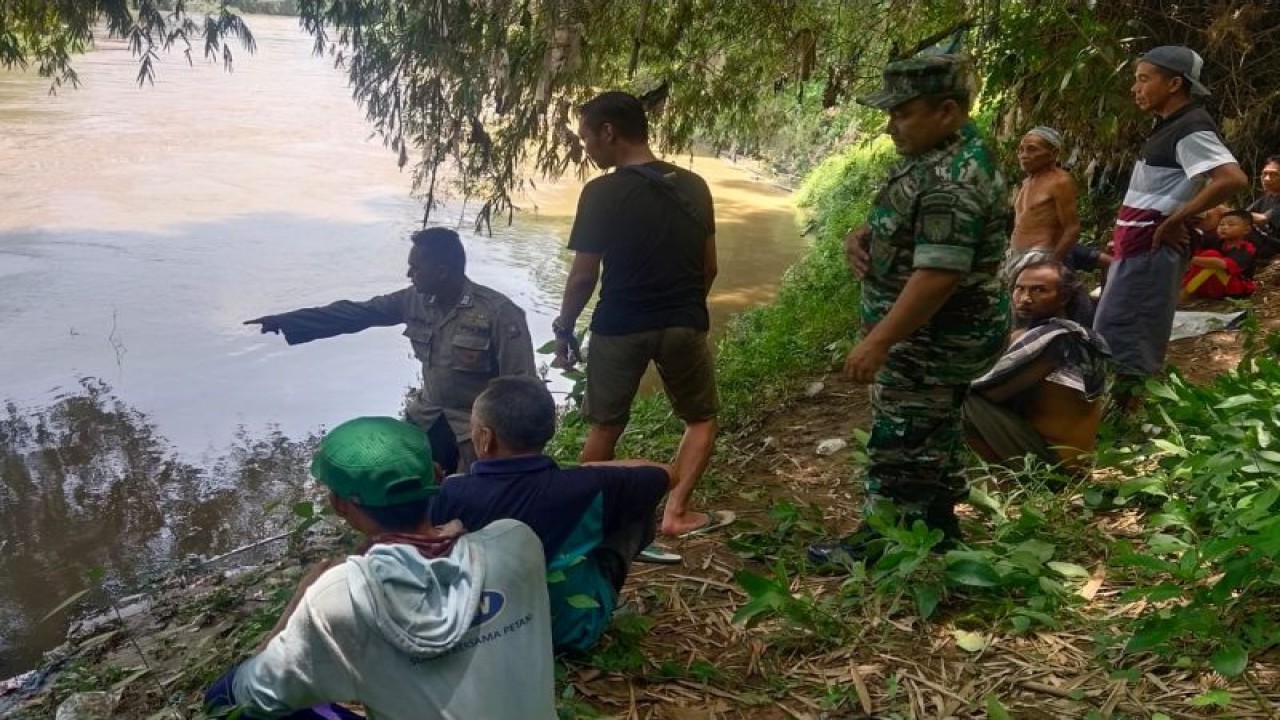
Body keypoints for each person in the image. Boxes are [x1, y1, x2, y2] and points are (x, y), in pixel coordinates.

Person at [204, 416, 556, 720]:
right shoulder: (517, 541)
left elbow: (244, 696)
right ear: (437, 475)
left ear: (338, 504)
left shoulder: (337, 598)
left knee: (225, 697)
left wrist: (297, 604)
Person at [808, 54, 1010, 566]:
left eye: (902, 113)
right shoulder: (940, 154)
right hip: (930, 338)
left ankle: (881, 547)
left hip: (931, 342)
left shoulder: (953, 178)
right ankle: (937, 529)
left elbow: (939, 275)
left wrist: (878, 341)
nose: (890, 125)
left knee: (901, 440)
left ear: (946, 111)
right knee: (931, 432)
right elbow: (915, 224)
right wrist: (866, 234)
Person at [553, 91, 731, 538]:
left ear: (608, 132)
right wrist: (684, 307)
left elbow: (583, 277)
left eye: (586, 139)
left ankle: (588, 525)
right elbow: (709, 267)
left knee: (606, 425)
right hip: (683, 323)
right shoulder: (695, 186)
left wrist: (564, 326)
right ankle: (676, 513)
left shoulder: (601, 192)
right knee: (700, 418)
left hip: (620, 325)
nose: (586, 149)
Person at [245, 228, 537, 473]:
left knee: (467, 500)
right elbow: (357, 313)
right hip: (427, 418)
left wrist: (510, 449)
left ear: (441, 272)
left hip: (474, 429)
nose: (409, 273)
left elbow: (522, 388)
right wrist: (287, 321)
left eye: (416, 267)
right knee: (405, 487)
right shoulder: (413, 301)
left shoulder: (498, 313)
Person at [428, 376, 673, 654]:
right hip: (567, 632)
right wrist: (591, 469)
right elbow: (666, 473)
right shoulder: (589, 485)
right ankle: (588, 593)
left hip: (479, 633)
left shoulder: (450, 493)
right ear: (549, 430)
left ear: (485, 438)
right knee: (634, 506)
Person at [1092, 46, 1247, 405]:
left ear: (1175, 83)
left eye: (1143, 79)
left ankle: (1128, 419)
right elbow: (1171, 189)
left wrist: (1175, 219)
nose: (1135, 88)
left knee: (1129, 337)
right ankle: (1121, 414)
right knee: (1117, 331)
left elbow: (1231, 178)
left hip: (1150, 252)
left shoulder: (1191, 126)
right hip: (1138, 248)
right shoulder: (1171, 125)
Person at [965, 260, 1111, 473]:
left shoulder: (1063, 339)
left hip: (1054, 461)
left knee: (954, 400)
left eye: (1039, 290)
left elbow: (992, 392)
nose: (1025, 298)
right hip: (1029, 442)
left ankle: (1003, 479)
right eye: (1019, 289)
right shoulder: (1029, 334)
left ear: (1064, 297)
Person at [1007, 126, 1080, 276]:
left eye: (1032, 149)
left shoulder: (1059, 181)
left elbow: (1072, 229)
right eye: (1021, 150)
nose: (1023, 155)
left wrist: (1052, 263)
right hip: (1016, 255)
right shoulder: (1027, 182)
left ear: (1054, 153)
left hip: (1041, 257)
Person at [1181, 209, 1258, 299]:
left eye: (1231, 225)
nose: (1224, 227)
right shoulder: (1213, 241)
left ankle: (1184, 292)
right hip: (1215, 283)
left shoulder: (1247, 248)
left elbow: (1223, 264)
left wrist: (1189, 258)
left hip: (1236, 288)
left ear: (1246, 230)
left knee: (1211, 255)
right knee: (1202, 256)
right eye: (1221, 224)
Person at [1247, 155, 1280, 259]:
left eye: (1274, 174)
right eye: (1264, 174)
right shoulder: (1266, 197)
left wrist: (1227, 212)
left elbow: (1263, 219)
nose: (1266, 178)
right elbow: (1245, 213)